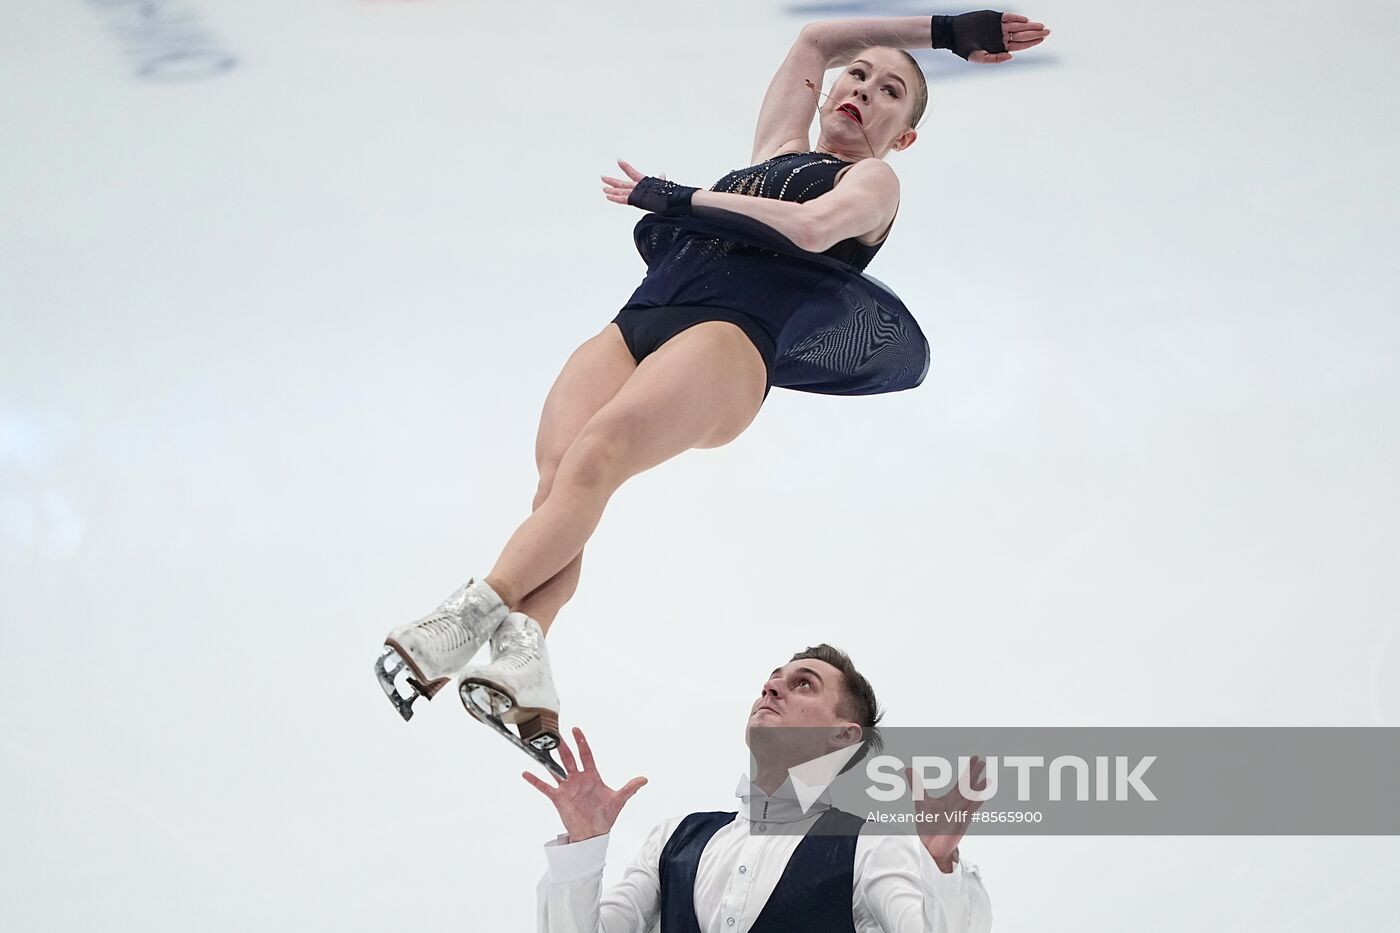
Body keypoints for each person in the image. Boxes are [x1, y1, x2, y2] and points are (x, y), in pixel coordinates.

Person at [374, 12, 1053, 762]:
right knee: (562, 482)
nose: (865, 88)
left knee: (597, 455)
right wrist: (955, 30)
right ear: (829, 92)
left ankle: (463, 620)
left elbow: (812, 229)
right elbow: (818, 41)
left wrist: (682, 198)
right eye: (859, 76)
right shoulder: (776, 149)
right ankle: (526, 667)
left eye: (891, 91)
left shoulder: (875, 179)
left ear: (905, 133)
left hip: (732, 340)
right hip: (644, 316)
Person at [529, 645, 993, 932]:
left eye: (802, 685)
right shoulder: (675, 839)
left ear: (845, 734)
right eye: (771, 680)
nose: (771, 689)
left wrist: (939, 867)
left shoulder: (869, 846)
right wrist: (583, 852)